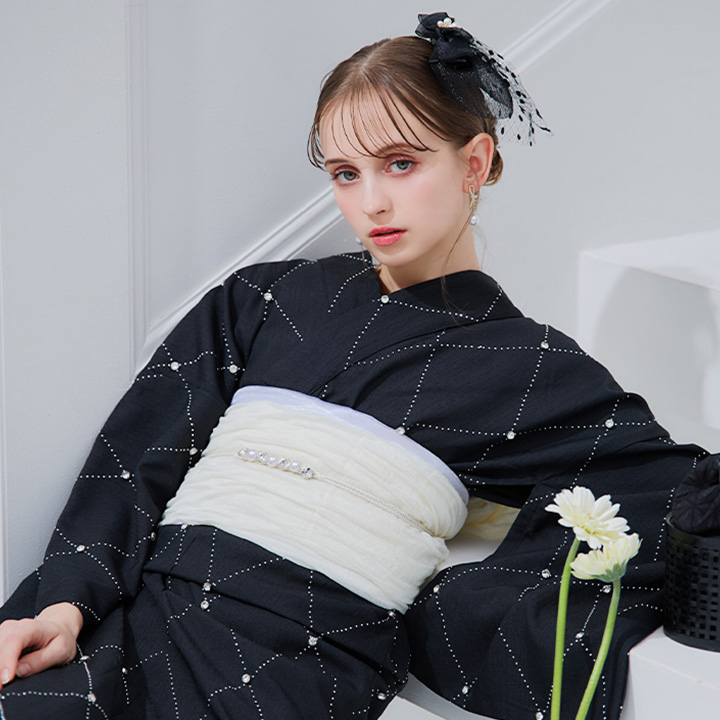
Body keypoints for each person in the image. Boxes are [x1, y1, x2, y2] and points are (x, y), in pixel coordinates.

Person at [0, 11, 709, 720]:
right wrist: (64, 605)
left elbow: (669, 492)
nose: (371, 203)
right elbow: (134, 455)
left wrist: (461, 603)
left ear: (473, 162)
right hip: (135, 615)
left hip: (297, 661)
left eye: (400, 163)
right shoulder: (265, 298)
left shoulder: (530, 365)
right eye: (346, 173)